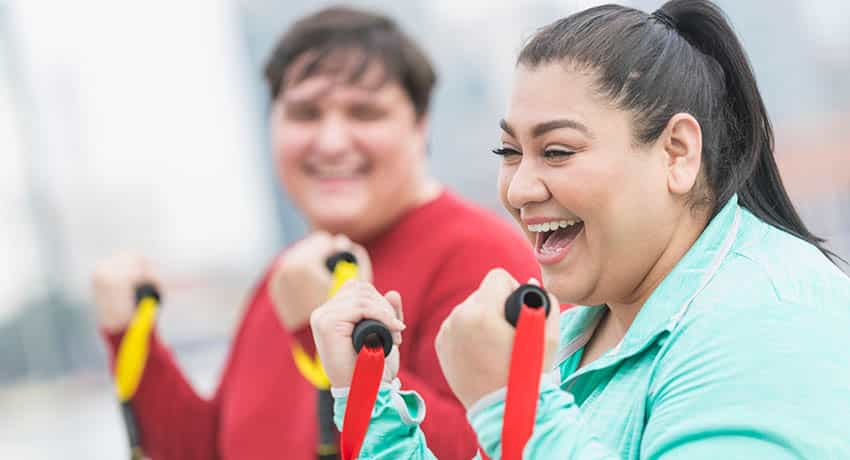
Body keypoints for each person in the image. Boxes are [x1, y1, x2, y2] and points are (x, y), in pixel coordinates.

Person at [310, 1, 850, 458]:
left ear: (677, 153)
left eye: (558, 152)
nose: (519, 189)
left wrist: (510, 403)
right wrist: (371, 397)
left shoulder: (766, 324)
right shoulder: (582, 327)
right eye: (510, 152)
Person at [91, 6, 539, 460]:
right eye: (304, 114)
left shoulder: (483, 260)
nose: (330, 142)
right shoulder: (287, 274)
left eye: (364, 113)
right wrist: (132, 338)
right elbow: (216, 448)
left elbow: (496, 447)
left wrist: (324, 335)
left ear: (420, 126)